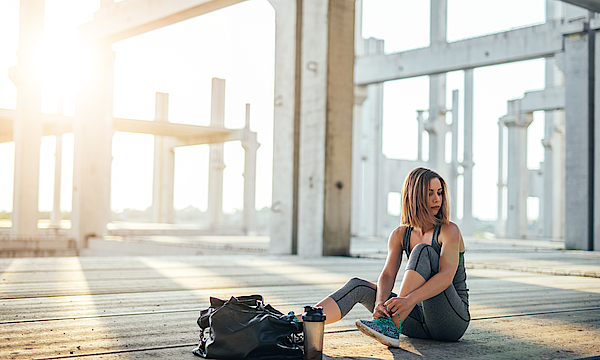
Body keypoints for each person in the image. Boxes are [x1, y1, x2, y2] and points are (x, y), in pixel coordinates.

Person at [311, 167, 470, 347]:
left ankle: (391, 325)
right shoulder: (400, 234)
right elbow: (387, 275)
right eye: (430, 193)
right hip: (417, 323)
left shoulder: (449, 230)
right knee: (358, 286)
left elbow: (446, 276)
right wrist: (380, 303)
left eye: (440, 193)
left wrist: (407, 300)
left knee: (422, 250)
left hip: (451, 322)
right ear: (415, 196)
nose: (437, 199)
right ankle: (297, 323)